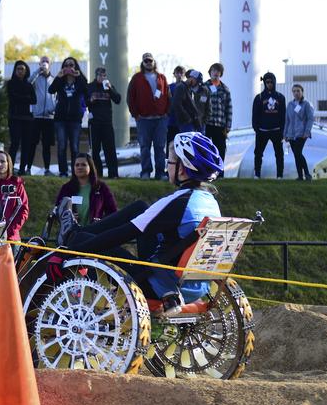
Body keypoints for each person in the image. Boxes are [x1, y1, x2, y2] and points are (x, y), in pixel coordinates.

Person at [64, 132, 225, 318]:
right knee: (140, 208)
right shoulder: (209, 202)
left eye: (170, 161)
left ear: (182, 170)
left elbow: (125, 233)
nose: (167, 167)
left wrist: (72, 250)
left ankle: (72, 236)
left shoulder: (179, 202)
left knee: (84, 240)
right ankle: (76, 231)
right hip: (193, 286)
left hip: (157, 286)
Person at [127, 52, 170, 180]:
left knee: (160, 147)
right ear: (143, 63)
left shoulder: (162, 78)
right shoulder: (136, 78)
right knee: (145, 147)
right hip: (143, 119)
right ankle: (145, 172)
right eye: (146, 61)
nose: (148, 63)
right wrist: (136, 115)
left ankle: (160, 173)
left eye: (150, 61)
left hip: (160, 119)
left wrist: (167, 113)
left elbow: (168, 96)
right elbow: (130, 97)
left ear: (154, 62)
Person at [55, 153, 118, 233]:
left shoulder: (101, 187)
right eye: (77, 165)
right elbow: (57, 210)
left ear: (90, 167)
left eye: (83, 165)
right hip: (71, 235)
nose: (79, 167)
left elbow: (113, 212)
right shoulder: (66, 188)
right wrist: (67, 218)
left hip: (95, 234)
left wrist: (102, 221)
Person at [49, 57, 88, 177]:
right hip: (60, 118)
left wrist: (79, 76)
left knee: (75, 147)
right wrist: (58, 77)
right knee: (61, 146)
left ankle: (76, 172)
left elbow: (86, 90)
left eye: (71, 65)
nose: (69, 67)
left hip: (75, 119)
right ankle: (63, 172)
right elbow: (51, 90)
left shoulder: (79, 80)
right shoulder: (60, 80)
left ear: (75, 66)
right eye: (66, 65)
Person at [0, 150, 30, 240]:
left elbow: (23, 211)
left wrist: (10, 231)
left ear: (9, 163)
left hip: (11, 238)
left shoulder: (17, 184)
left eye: (2, 161)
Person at [86, 66, 121, 178]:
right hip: (94, 123)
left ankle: (113, 174)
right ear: (96, 76)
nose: (102, 77)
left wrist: (110, 88)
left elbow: (118, 99)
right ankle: (98, 174)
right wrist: (90, 100)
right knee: (95, 151)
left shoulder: (108, 86)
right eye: (100, 75)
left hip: (107, 123)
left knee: (110, 149)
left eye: (104, 75)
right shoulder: (90, 87)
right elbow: (84, 102)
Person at [251, 71, 286, 179]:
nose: (269, 84)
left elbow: (283, 115)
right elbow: (255, 114)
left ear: (274, 82)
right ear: (264, 83)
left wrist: (282, 130)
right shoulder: (259, 97)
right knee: (258, 153)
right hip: (262, 131)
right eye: (267, 82)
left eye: (271, 82)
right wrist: (256, 128)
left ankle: (279, 176)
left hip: (277, 130)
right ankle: (257, 175)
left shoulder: (280, 97)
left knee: (279, 154)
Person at [27, 56, 58, 175]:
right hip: (36, 117)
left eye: (47, 62)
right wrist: (37, 71)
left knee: (47, 145)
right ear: (39, 64)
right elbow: (28, 83)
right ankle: (28, 168)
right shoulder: (36, 78)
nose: (44, 63)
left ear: (50, 64)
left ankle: (47, 169)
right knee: (32, 143)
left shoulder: (54, 80)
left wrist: (51, 110)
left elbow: (57, 99)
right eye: (42, 62)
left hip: (49, 117)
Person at [5, 60, 35, 173]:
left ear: (26, 71)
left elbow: (34, 100)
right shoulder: (10, 83)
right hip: (14, 117)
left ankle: (23, 169)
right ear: (15, 70)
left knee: (26, 144)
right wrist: (25, 97)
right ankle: (10, 169)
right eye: (18, 69)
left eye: (22, 69)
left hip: (27, 118)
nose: (20, 71)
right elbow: (13, 98)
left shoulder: (29, 85)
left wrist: (21, 97)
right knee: (15, 143)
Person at [283, 83, 315, 180]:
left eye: (298, 91)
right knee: (296, 155)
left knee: (298, 153)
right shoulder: (290, 105)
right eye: (294, 91)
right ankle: (300, 176)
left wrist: (307, 132)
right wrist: (285, 134)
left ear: (302, 92)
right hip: (291, 134)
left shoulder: (306, 104)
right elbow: (287, 120)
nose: (296, 93)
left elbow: (310, 119)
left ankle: (307, 174)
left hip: (301, 134)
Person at [204, 63, 233, 164]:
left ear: (221, 74)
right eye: (214, 70)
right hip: (206, 124)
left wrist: (228, 126)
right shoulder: (204, 87)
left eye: (218, 71)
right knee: (205, 149)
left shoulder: (225, 89)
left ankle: (219, 172)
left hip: (220, 125)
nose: (216, 73)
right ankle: (206, 171)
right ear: (210, 72)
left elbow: (229, 108)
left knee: (220, 149)